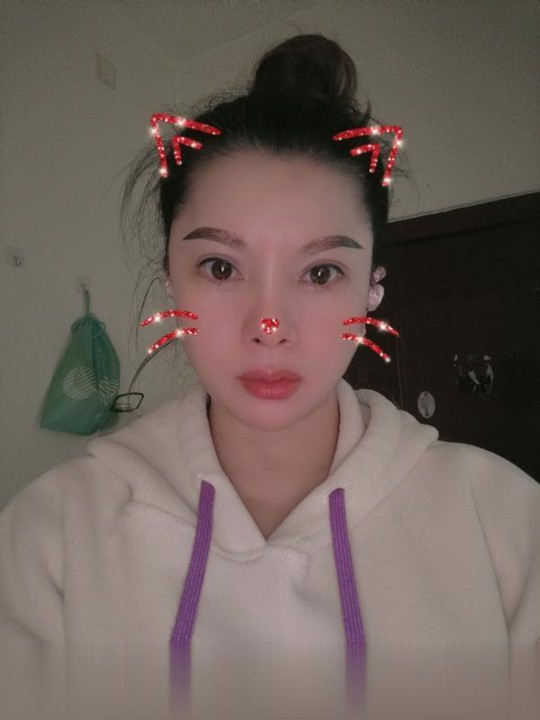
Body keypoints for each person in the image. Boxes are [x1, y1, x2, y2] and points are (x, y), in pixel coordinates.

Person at [1, 34, 539, 720]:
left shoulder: (504, 523)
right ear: (171, 281)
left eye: (321, 272)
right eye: (221, 267)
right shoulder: (51, 537)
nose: (269, 325)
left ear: (372, 288)